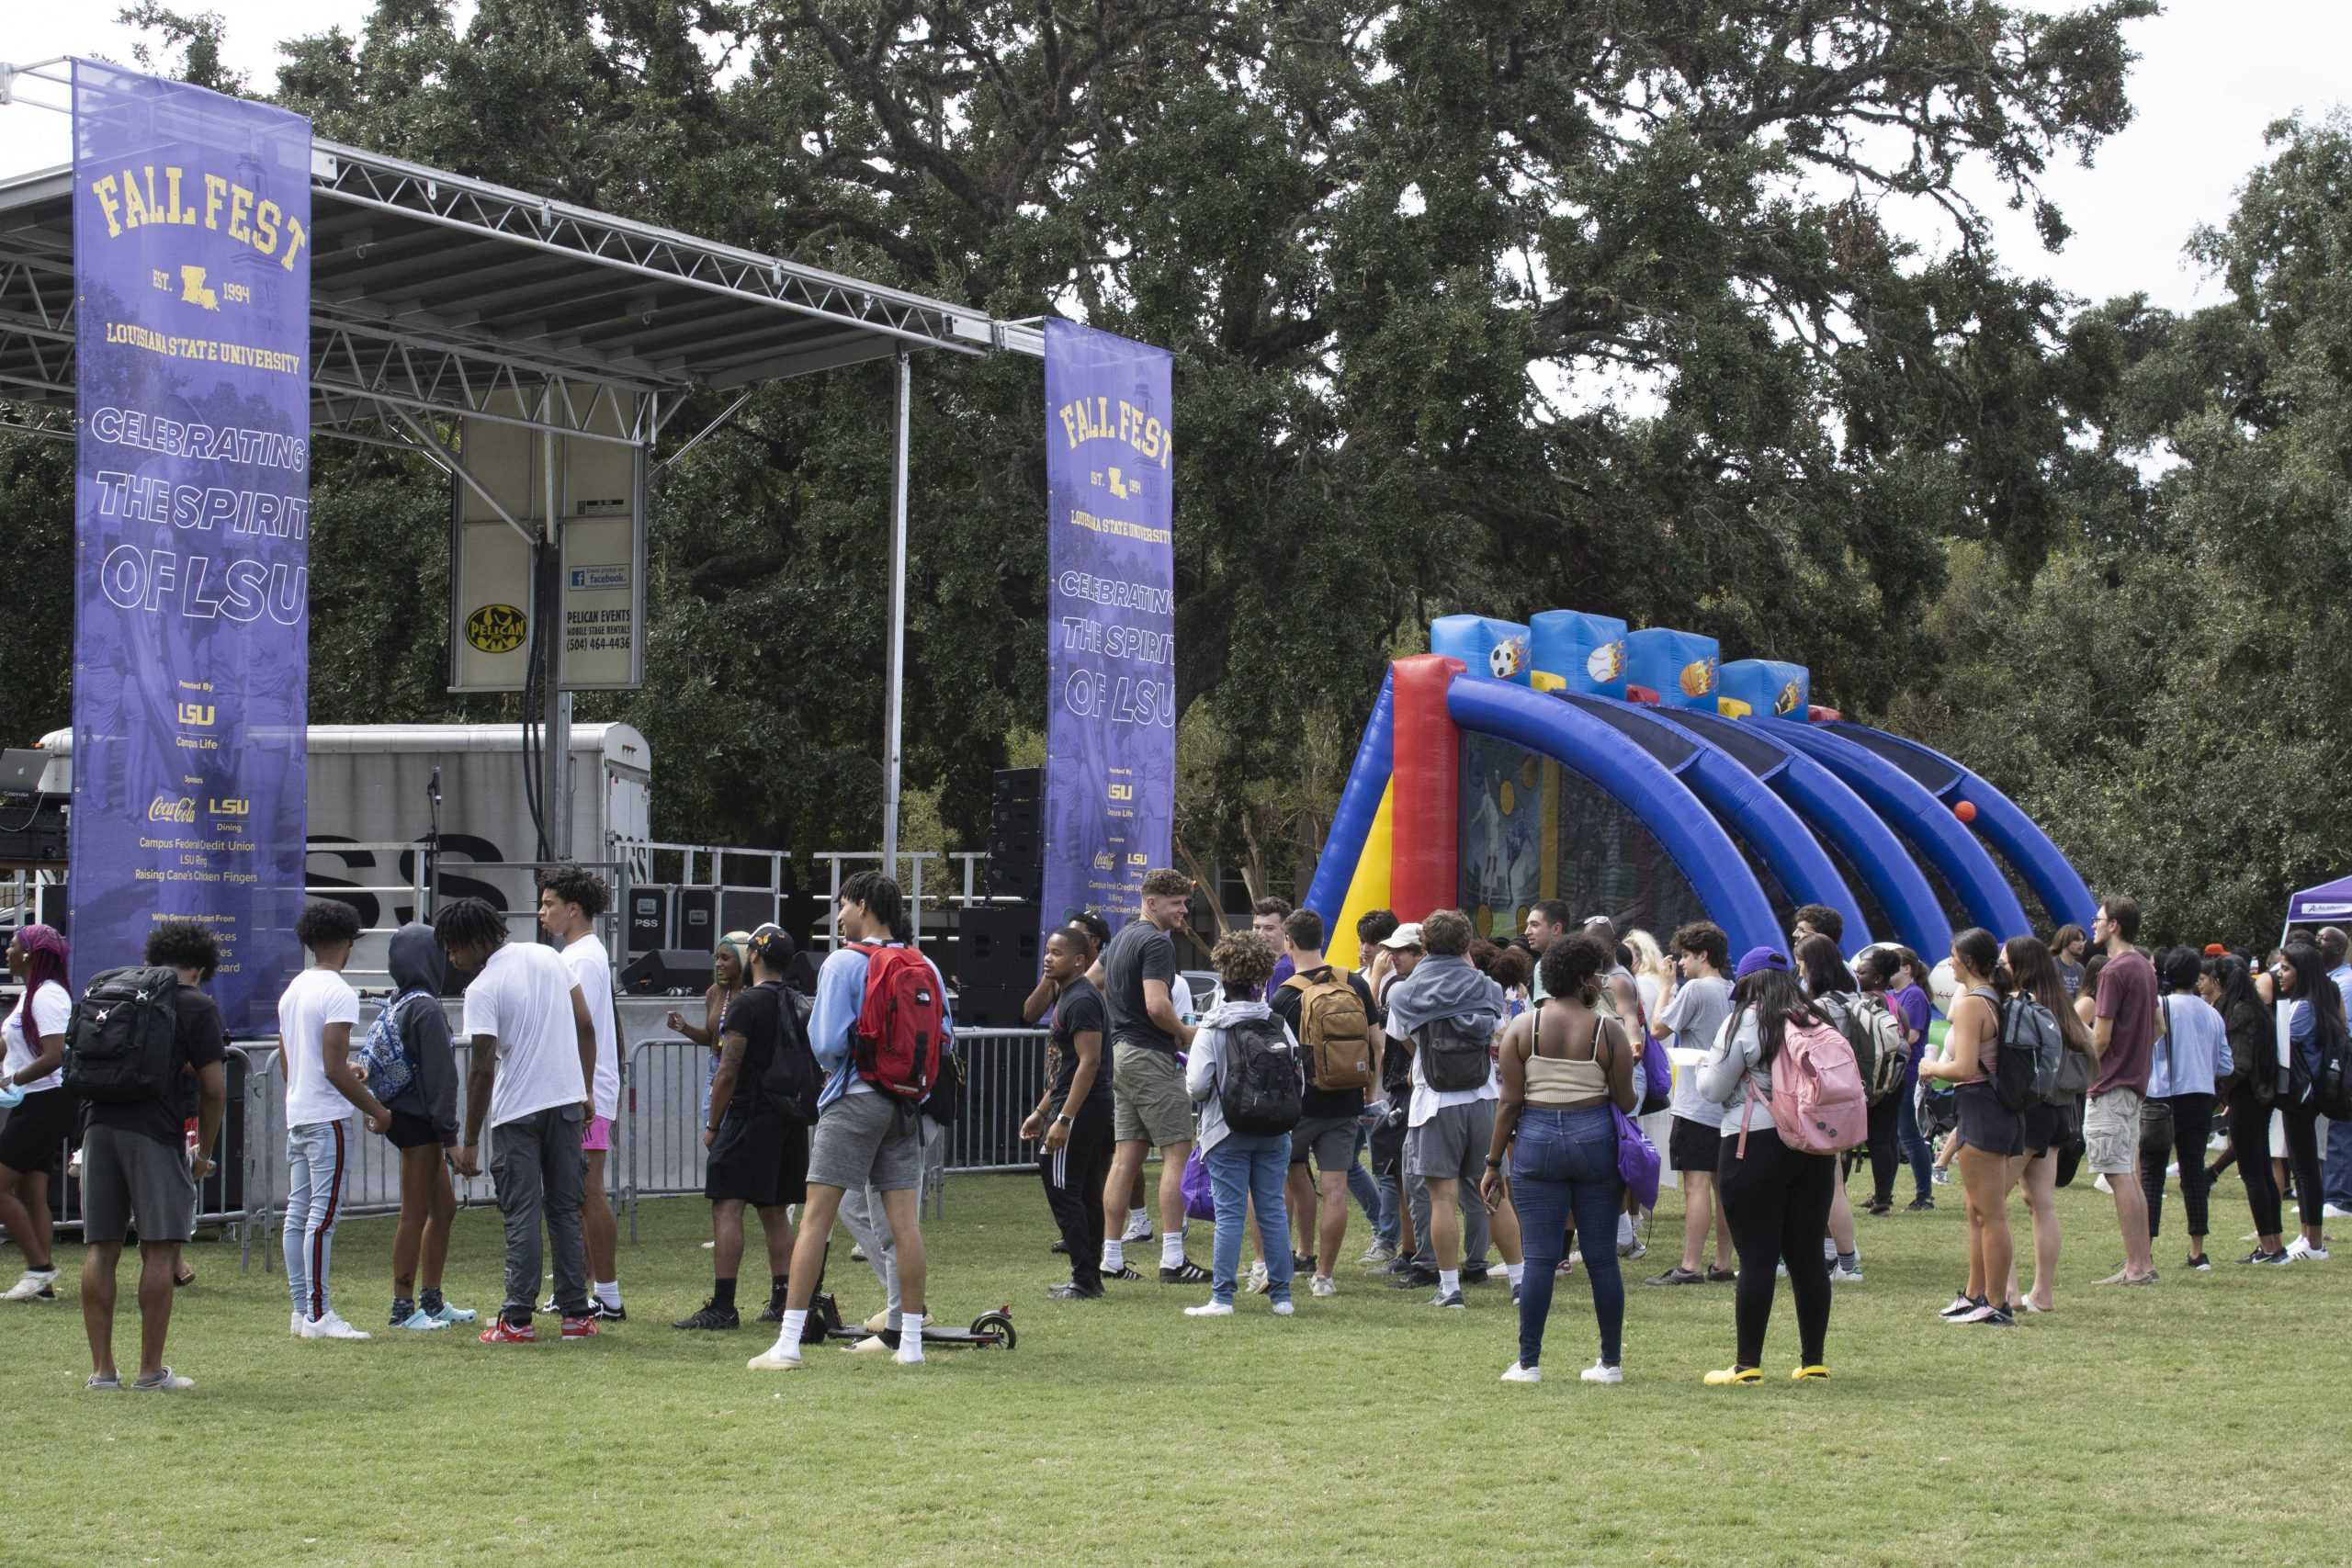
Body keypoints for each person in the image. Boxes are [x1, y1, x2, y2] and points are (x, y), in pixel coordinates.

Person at [750, 872, 948, 1370]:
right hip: (906, 1105)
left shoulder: (843, 963)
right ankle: (911, 1346)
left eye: (841, 905)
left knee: (816, 1217)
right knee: (905, 1226)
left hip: (854, 1099)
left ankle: (789, 1343)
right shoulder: (924, 964)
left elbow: (827, 1044)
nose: (838, 916)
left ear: (862, 905)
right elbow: (944, 1038)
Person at [437, 897, 602, 1344]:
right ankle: (576, 1315)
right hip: (567, 1102)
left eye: (454, 949)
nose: (452, 959)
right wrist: (585, 1088)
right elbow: (586, 1024)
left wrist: (469, 1140)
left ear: (473, 941)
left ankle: (517, 1319)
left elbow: (482, 1067)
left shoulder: (482, 989)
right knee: (566, 1209)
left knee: (522, 1213)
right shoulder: (548, 955)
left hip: (516, 1113)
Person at [78, 921, 227, 1391]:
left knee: (101, 1248)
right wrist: (205, 1148)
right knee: (159, 1250)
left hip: (99, 1125)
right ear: (201, 967)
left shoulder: (113, 990)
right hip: (156, 1134)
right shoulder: (197, 1006)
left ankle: (102, 1371)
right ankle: (149, 1371)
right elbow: (215, 1090)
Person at [1485, 933, 1637, 1383]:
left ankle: (1528, 1362)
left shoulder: (1522, 1028)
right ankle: (1610, 1362)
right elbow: (1626, 1102)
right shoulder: (1607, 1030)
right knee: (1602, 1259)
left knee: (1539, 1257)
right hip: (1595, 1138)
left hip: (1536, 1139)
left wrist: (1493, 1163)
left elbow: (1509, 1103)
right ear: (1585, 979)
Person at [1697, 949, 1836, 1384]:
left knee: (1757, 1257)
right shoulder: (1816, 1017)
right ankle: (1813, 1361)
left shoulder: (1745, 1020)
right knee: (1808, 1255)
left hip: (1753, 1140)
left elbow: (1712, 1087)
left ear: (1747, 984)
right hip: (1813, 1145)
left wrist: (1707, 1064)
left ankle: (1747, 1365)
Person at [675, 926, 808, 1330]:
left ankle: (723, 1304)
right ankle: (783, 1300)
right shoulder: (799, 1001)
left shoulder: (746, 1004)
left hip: (750, 1112)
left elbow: (729, 1068)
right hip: (790, 1118)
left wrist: (714, 1124)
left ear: (753, 956)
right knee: (774, 1210)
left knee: (727, 1203)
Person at [1385, 908, 1509, 1309]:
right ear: (1467, 944)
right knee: (1493, 1193)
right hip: (1484, 1095)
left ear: (1424, 945)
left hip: (1434, 1101)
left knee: (1441, 1198)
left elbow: (1402, 1037)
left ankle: (1450, 1287)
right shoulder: (1487, 987)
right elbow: (1496, 1031)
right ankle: (1521, 1282)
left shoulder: (1404, 991)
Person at [278, 899, 389, 1342]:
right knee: (321, 1218)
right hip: (326, 1118)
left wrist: (342, 1074)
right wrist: (376, 1109)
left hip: (299, 1112)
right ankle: (319, 1314)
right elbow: (333, 1065)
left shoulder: (294, 990)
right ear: (346, 942)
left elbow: (296, 1061)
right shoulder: (339, 991)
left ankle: (302, 1309)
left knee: (298, 1215)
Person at [1098, 868, 1211, 1285]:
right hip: (1150, 1056)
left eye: (1184, 902)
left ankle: (1110, 1256)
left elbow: (1093, 982)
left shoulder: (1124, 936)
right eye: (1176, 903)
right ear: (1151, 903)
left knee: (1126, 1157)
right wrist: (1186, 1034)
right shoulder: (1156, 942)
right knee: (1177, 1153)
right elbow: (1157, 1006)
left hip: (1121, 1055)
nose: (1183, 910)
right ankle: (1173, 1258)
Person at [1182, 931, 1300, 1316]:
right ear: (1261, 980)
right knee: (1273, 1210)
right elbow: (1296, 1074)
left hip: (1226, 1129)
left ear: (1224, 979)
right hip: (1275, 1130)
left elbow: (1198, 1085)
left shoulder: (1212, 1028)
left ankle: (1222, 1297)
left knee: (1230, 1214)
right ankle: (1282, 1296)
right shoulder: (1277, 1023)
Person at [1270, 908, 1384, 1298]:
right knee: (1336, 1187)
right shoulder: (1353, 982)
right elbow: (1376, 1041)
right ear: (1322, 937)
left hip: (1300, 1105)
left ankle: (1281, 1261)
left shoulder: (1285, 995)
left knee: (1285, 1177)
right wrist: (1370, 1090)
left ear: (1289, 942)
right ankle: (1324, 1276)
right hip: (1346, 1100)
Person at [372, 922, 475, 1330]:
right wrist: (450, 1137)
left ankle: (431, 1299)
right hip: (421, 1123)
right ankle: (403, 1306)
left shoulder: (399, 1000)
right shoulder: (427, 1008)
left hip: (407, 1116)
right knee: (414, 1213)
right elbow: (441, 1078)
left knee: (443, 1208)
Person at [1917, 929, 2021, 1325]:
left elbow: (1963, 1067)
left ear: (1971, 962)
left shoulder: (1971, 1005)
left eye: (1954, 956)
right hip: (1991, 1108)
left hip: (1981, 1106)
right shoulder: (1993, 997)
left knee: (1990, 1212)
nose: (1950, 963)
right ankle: (1975, 1293)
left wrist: (1930, 1068)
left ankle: (1995, 1302)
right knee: (1976, 1209)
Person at [536, 869, 626, 1321]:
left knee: (587, 1192)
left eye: (549, 903)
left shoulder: (582, 958)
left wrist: (584, 1090)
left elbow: (582, 1026)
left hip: (585, 1091)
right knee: (579, 1192)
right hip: (584, 1088)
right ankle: (584, 1290)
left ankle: (607, 1295)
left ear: (573, 909)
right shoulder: (579, 954)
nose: (542, 911)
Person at [1023, 923, 1114, 1300]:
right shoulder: (1068, 995)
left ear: (1080, 960)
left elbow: (1088, 1064)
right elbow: (1066, 1066)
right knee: (1085, 1192)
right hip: (1075, 1107)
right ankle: (1089, 1276)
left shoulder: (1081, 1000)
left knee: (1064, 1190)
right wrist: (1042, 1111)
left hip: (1083, 1110)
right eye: (1047, 951)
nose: (1047, 957)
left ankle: (1084, 1277)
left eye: (1057, 953)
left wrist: (1063, 1119)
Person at [1646, 920, 1736, 1287]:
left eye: (1685, 956)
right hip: (1726, 1101)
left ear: (1703, 955)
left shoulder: (1696, 989)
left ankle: (1690, 1264)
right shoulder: (1732, 989)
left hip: (1696, 1101)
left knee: (1695, 1184)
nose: (1681, 963)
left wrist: (1666, 987)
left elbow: (1658, 1029)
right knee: (1723, 1186)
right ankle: (1723, 1262)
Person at [2001, 935, 2087, 1314]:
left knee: (1990, 1202)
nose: (1999, 969)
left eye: (2005, 963)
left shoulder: (2023, 1009)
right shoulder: (2062, 1006)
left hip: (2029, 1112)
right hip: (2060, 1112)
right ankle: (2042, 1293)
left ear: (2021, 968)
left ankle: (2007, 1292)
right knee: (2041, 1203)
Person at [2085, 897, 2161, 1285]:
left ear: (2113, 925)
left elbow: (2100, 1038)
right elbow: (2158, 1026)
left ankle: (2136, 1266)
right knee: (2128, 1173)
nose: (2092, 925)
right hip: (2134, 1083)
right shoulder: (2145, 968)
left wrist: (2080, 1070)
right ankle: (2141, 1262)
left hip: (2110, 1084)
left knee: (2118, 1175)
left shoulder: (2113, 971)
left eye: (2097, 919)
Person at [2142, 947, 2230, 1270]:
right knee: (2193, 1173)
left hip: (2162, 1095)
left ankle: (2144, 1251)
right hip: (2200, 1097)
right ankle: (2197, 1250)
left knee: (2151, 1174)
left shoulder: (2160, 1005)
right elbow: (2226, 1064)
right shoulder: (2212, 1013)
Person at [0, 924, 73, 1303]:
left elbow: (55, 1055)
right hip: (33, 1100)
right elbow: (12, 1043)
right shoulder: (31, 992)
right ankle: (42, 1286)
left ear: (29, 954)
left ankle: (39, 1268)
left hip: (47, 1101)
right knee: (32, 1191)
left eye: (12, 945)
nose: (7, 951)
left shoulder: (48, 996)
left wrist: (11, 1078)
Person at [1792, 936, 1867, 1283]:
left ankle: (1848, 1261)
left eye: (1802, 962)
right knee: (1832, 1183)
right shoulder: (1854, 997)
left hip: (1824, 1100)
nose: (1799, 970)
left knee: (1831, 1185)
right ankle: (1834, 1255)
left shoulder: (1820, 1006)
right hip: (1851, 1096)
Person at [2211, 953, 2290, 1262]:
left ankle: (2270, 1246)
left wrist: (2220, 1092)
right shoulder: (2259, 1009)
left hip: (2247, 1097)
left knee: (2253, 1173)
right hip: (2262, 1096)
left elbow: (2239, 1064)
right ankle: (2275, 1242)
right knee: (2263, 1172)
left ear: (2220, 981)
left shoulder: (2240, 1011)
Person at [2273, 940, 2343, 1261]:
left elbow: (2281, 1046)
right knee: (2306, 1166)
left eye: (2286, 968)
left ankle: (2312, 1242)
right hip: (2317, 1094)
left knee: (2304, 1168)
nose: (2280, 974)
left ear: (2302, 972)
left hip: (2300, 1095)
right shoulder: (2327, 998)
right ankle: (2308, 1237)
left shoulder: (2301, 1008)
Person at [1358, 911, 1413, 1265]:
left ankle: (1388, 1237)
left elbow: (1376, 1035)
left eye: (1374, 943)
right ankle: (1385, 1230)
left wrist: (1375, 980)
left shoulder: (1396, 983)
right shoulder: (1366, 976)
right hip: (1365, 1084)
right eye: (1362, 940)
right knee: (1360, 1164)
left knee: (1391, 1168)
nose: (1366, 949)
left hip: (1388, 1085)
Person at [671, 931, 749, 1128]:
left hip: (747, 1073)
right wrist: (684, 1028)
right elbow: (712, 1037)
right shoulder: (714, 992)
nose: (718, 964)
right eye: (716, 958)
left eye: (725, 958)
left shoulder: (756, 993)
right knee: (713, 1135)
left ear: (743, 959)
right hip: (717, 1070)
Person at [1891, 947, 1936, 1210]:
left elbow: (1913, 1035)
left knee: (1909, 1135)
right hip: (1897, 1072)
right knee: (1898, 1134)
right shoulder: (1895, 995)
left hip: (1908, 1072)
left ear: (1907, 968)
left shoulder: (1914, 995)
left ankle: (1924, 1195)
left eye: (1894, 966)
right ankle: (1886, 1194)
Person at [2319, 927, 2352, 1220]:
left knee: (2342, 1125)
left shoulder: (2346, 982)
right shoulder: (2329, 981)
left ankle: (2340, 1198)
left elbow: (2344, 1028)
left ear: (2340, 948)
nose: (2318, 942)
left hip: (2344, 1060)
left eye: (2324, 939)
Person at [1522, 901, 1571, 1001]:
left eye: (1534, 925)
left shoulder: (1545, 965)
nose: (1527, 932)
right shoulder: (1576, 961)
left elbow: (1547, 1014)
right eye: (1528, 925)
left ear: (1556, 929)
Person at [1252, 896, 1296, 994]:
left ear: (1286, 930)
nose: (1260, 934)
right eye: (1257, 927)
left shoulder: (1282, 969)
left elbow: (1276, 1010)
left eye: (1269, 928)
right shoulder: (1274, 966)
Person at [2052, 924, 2089, 998]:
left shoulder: (2080, 969)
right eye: (2077, 940)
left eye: (2082, 940)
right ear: (2065, 940)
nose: (2082, 944)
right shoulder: (2050, 965)